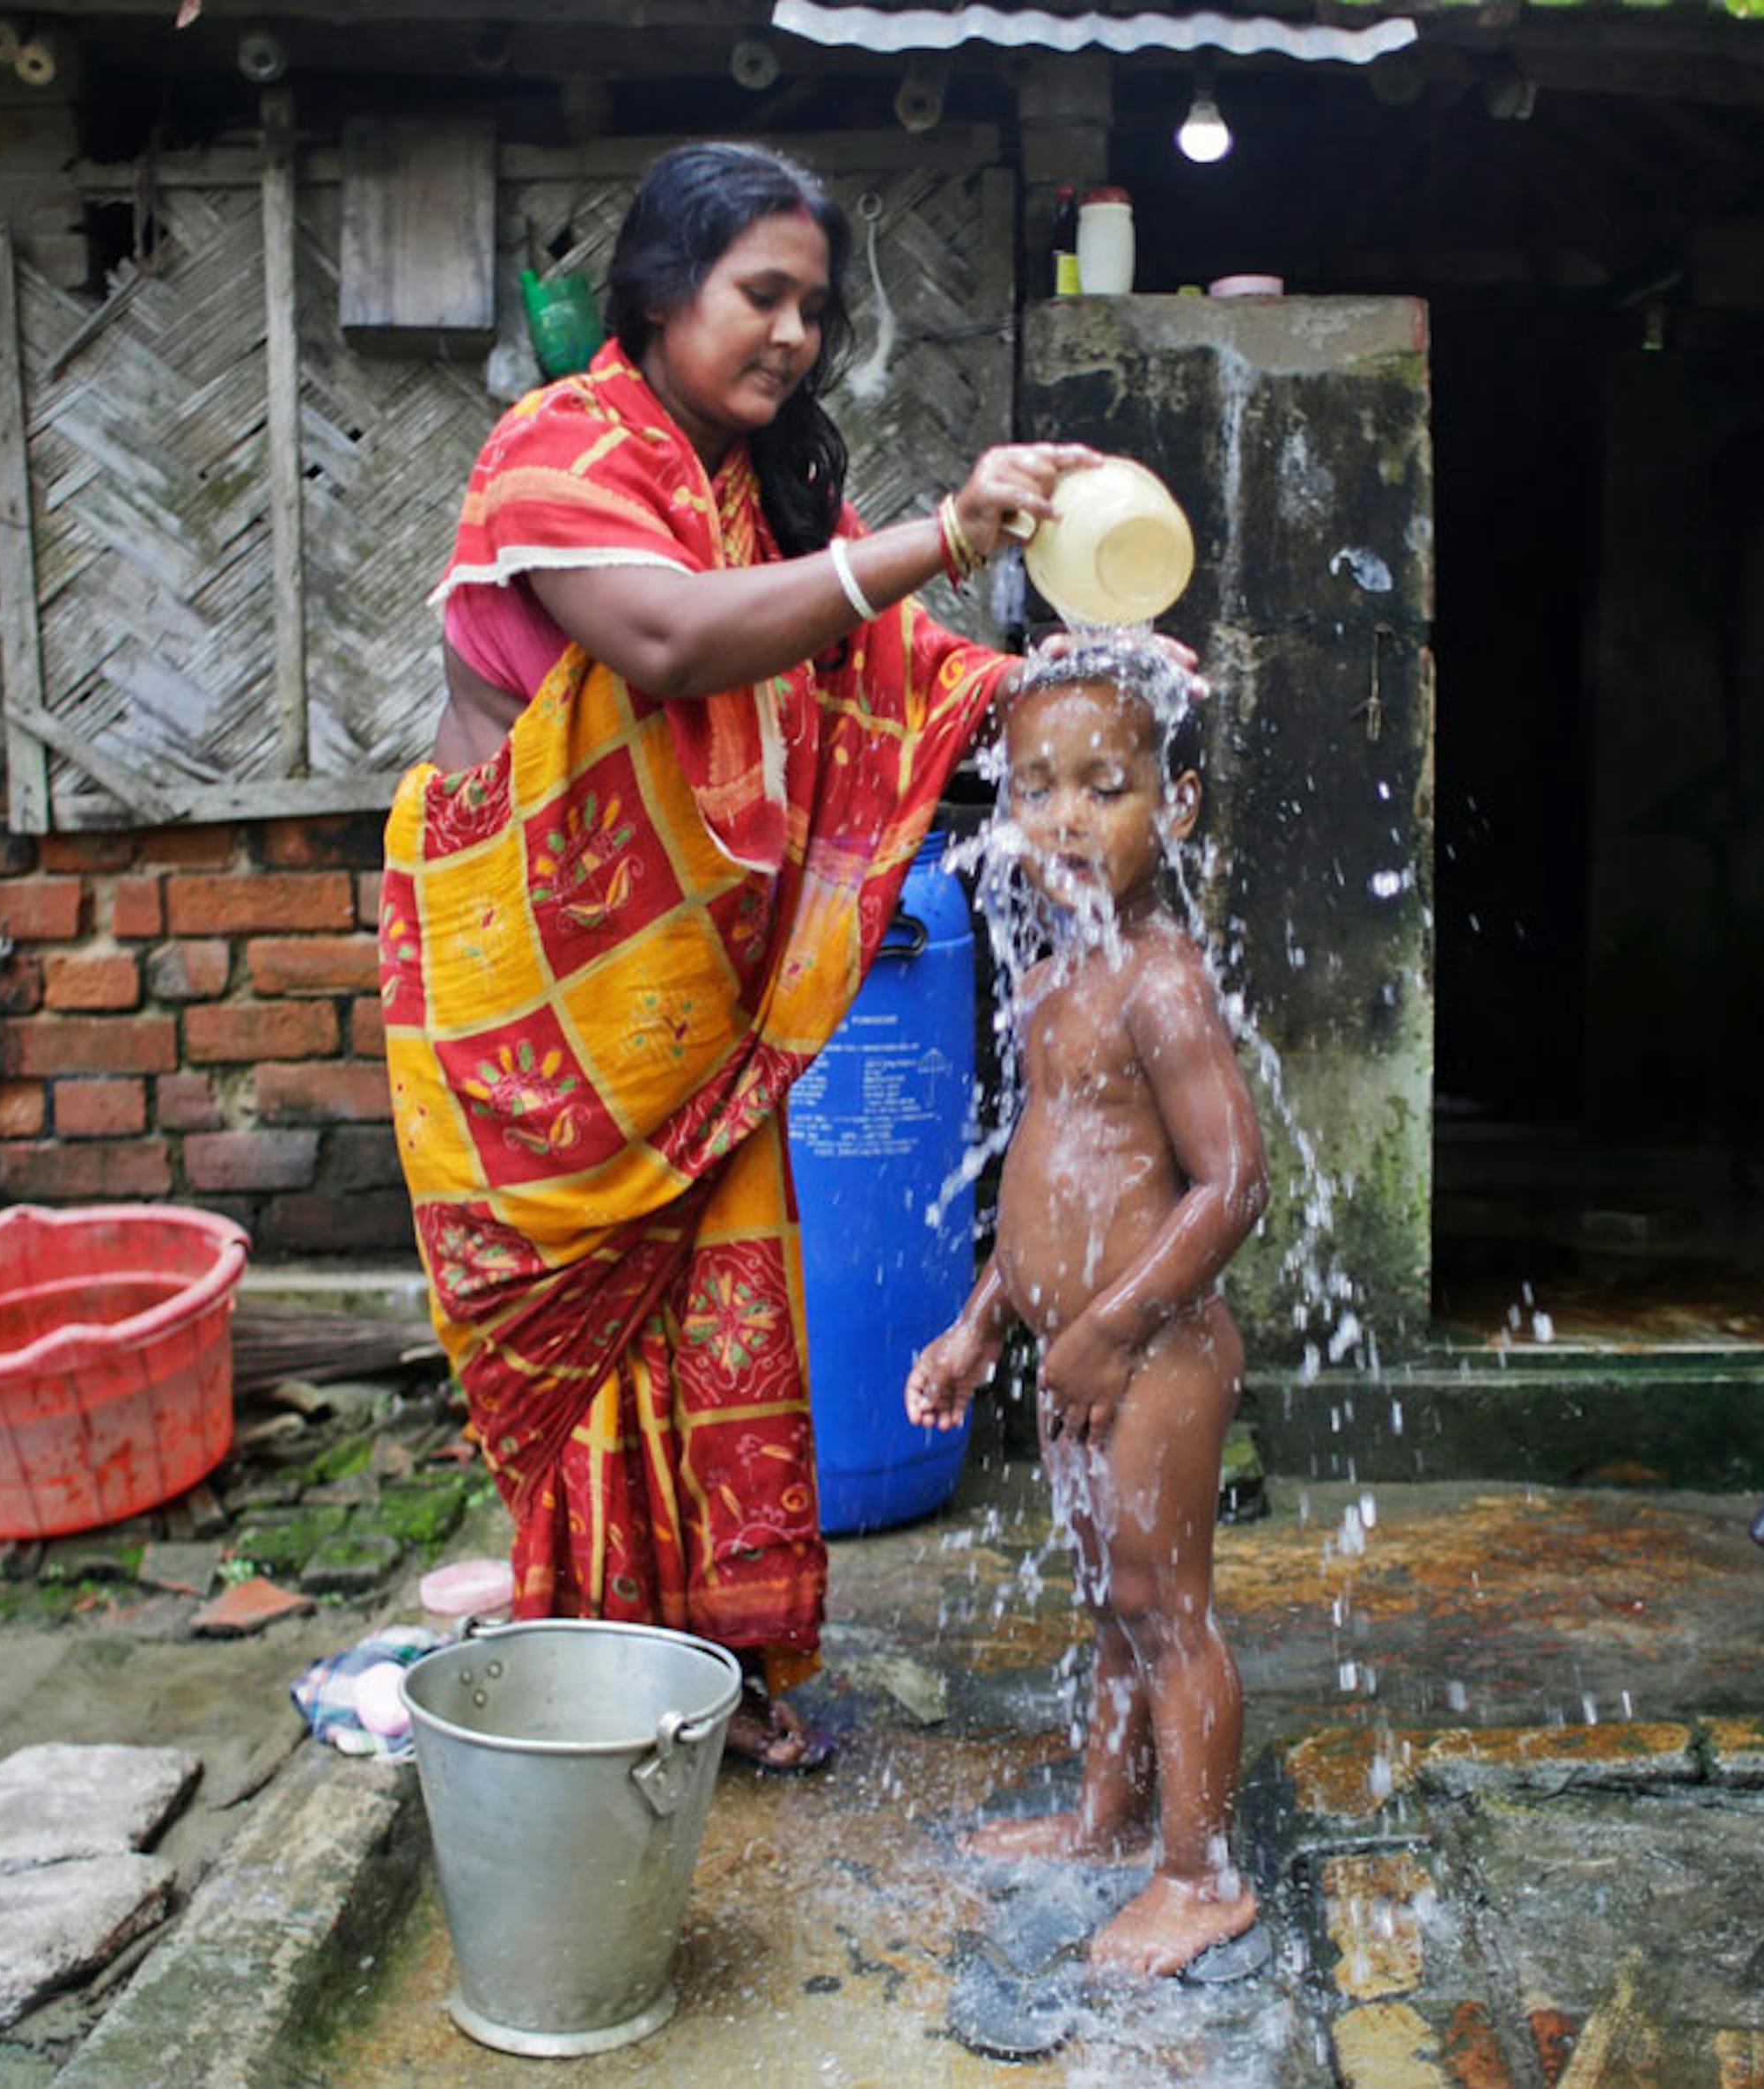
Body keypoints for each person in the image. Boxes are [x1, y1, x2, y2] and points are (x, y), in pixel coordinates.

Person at [379, 139, 1106, 1772]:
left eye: (812, 307)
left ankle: (721, 1677)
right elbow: (664, 639)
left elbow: (895, 666)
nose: (790, 333)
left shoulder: (773, 491)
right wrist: (933, 532)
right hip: (540, 1009)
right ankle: (597, 1688)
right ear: (659, 291)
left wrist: (1076, 678)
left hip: (695, 1021)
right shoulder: (559, 445)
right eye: (758, 294)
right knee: (582, 1383)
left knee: (721, 1335)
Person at [905, 641, 1271, 1977]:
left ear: (1171, 808)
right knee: (1112, 1597)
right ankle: (1109, 1822)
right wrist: (982, 1322)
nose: (1063, 818)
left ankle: (1199, 1871)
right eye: (1036, 787)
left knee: (1167, 1606)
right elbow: (1054, 1186)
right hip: (1083, 1354)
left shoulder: (1160, 979)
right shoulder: (1056, 971)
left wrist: (1112, 1327)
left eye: (1106, 786)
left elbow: (1234, 1183)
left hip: (1156, 1354)